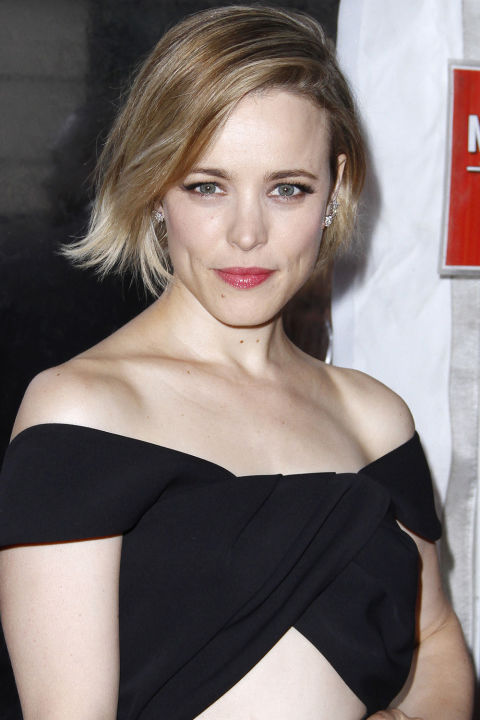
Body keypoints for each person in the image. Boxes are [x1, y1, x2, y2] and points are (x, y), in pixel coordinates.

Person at [0, 5, 474, 720]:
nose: (247, 233)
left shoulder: (374, 418)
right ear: (156, 190)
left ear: (334, 188)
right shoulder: (82, 411)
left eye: (288, 188)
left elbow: (434, 640)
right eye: (207, 185)